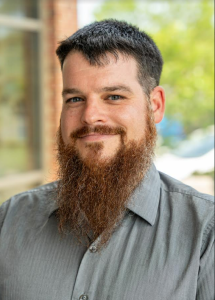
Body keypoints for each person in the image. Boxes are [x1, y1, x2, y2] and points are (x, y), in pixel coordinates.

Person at [0, 20, 214, 300]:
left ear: (156, 106)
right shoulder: (9, 220)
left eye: (114, 96)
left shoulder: (206, 234)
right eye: (75, 99)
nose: (90, 116)